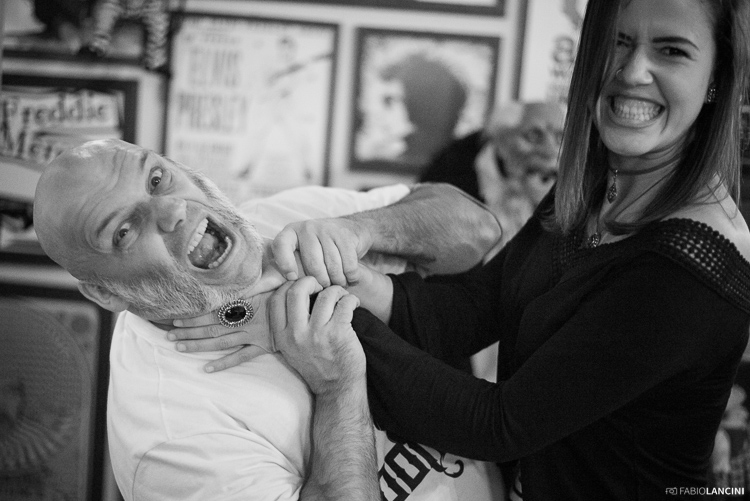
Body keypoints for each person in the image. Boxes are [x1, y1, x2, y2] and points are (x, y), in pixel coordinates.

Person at [255, 0, 750, 499]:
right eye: (618, 41)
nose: (633, 70)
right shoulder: (594, 185)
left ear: (717, 77)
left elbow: (498, 424)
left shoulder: (687, 266)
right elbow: (475, 305)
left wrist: (320, 314)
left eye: (671, 50)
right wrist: (351, 280)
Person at [31, 139, 506, 500]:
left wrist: (363, 229)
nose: (173, 210)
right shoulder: (169, 440)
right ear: (105, 292)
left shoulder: (280, 217)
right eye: (124, 231)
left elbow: (480, 230)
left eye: (157, 179)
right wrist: (337, 388)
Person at [420, 100, 566, 249]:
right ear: (502, 139)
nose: (551, 150)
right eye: (534, 136)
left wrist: (545, 206)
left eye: (560, 137)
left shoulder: (565, 184)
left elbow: (575, 246)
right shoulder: (452, 171)